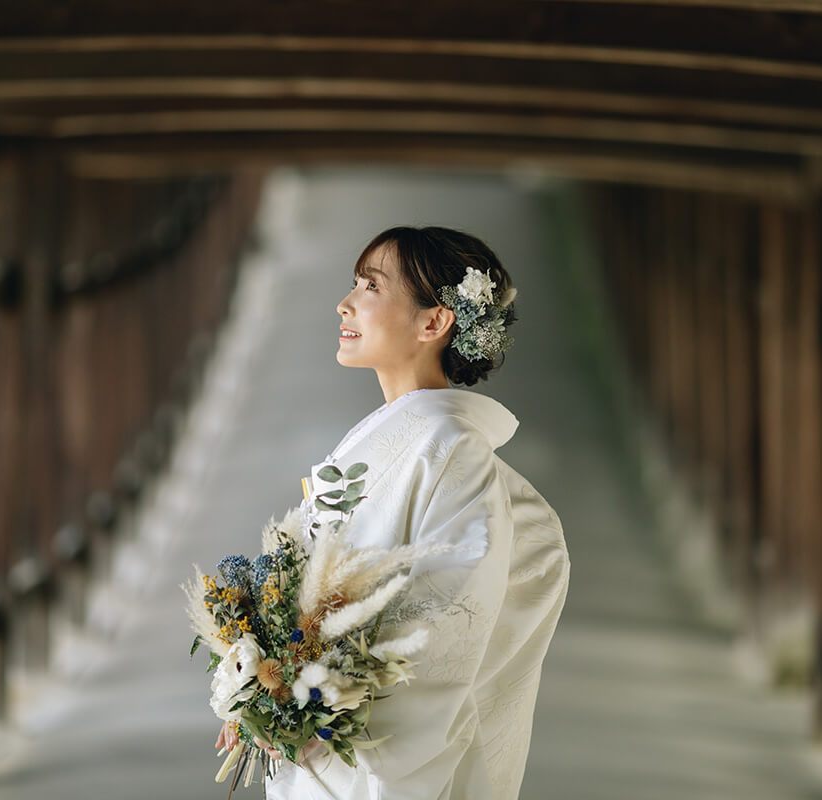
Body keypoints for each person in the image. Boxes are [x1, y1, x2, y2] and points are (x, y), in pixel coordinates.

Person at [216, 226, 570, 799]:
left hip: (361, 747)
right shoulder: (392, 437)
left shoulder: (453, 447)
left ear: (433, 322)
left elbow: (450, 610)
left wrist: (319, 697)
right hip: (320, 743)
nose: (345, 302)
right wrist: (262, 685)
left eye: (370, 286)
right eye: (354, 283)